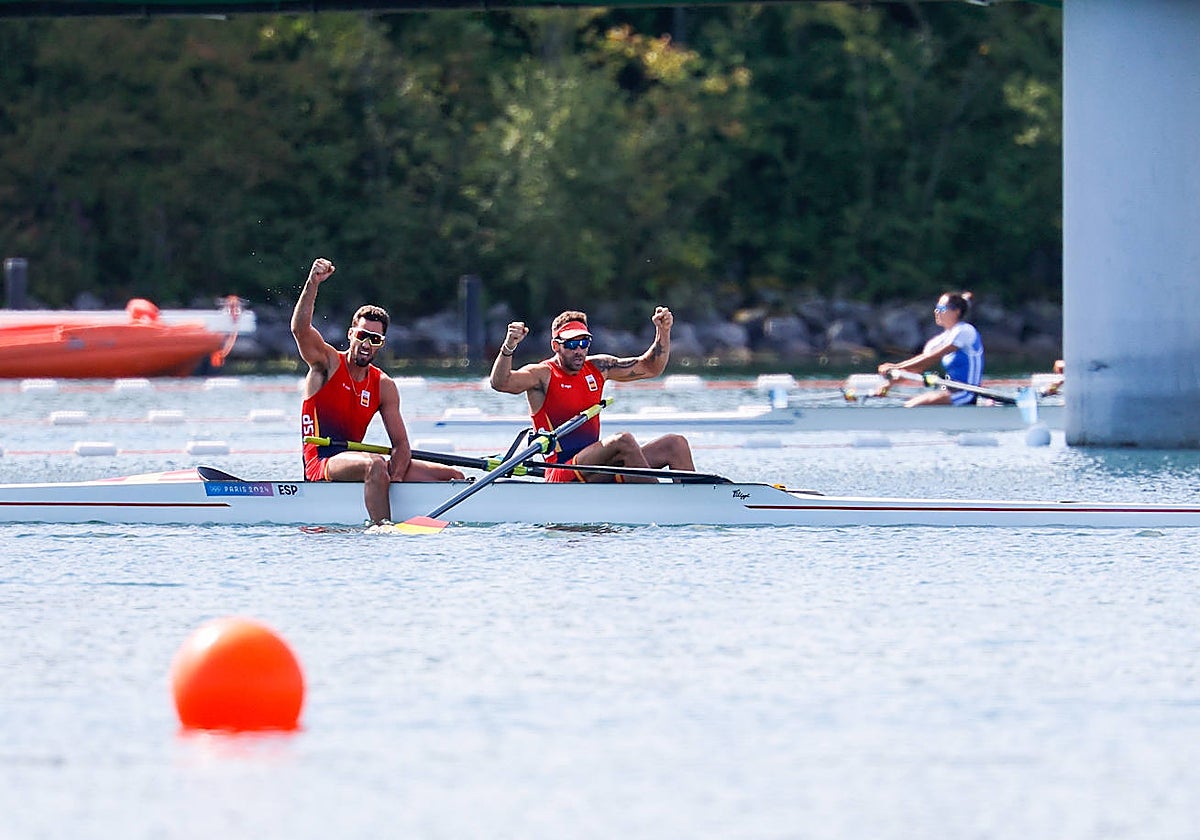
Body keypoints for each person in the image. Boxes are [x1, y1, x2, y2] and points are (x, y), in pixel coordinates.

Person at [292, 257, 462, 525]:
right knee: (375, 464)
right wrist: (313, 283)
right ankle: (382, 528)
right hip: (322, 461)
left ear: (381, 343)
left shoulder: (384, 385)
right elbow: (300, 330)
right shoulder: (327, 364)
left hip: (360, 460)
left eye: (375, 339)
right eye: (362, 335)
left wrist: (394, 477)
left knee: (452, 476)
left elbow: (402, 446)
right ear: (351, 334)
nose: (366, 344)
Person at [489, 307, 695, 482]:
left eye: (584, 343)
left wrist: (663, 331)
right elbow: (501, 383)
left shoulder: (599, 367)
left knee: (675, 444)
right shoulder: (542, 374)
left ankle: (696, 504)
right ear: (555, 346)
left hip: (597, 463)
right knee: (622, 440)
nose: (579, 350)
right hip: (562, 471)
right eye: (571, 344)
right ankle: (659, 503)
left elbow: (651, 368)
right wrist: (509, 347)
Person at [877, 291, 984, 407]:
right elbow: (920, 365)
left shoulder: (965, 331)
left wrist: (896, 367)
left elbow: (932, 358)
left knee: (914, 405)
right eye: (936, 308)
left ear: (956, 312)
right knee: (910, 404)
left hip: (968, 394)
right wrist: (889, 385)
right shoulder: (940, 339)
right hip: (950, 392)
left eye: (942, 308)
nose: (936, 311)